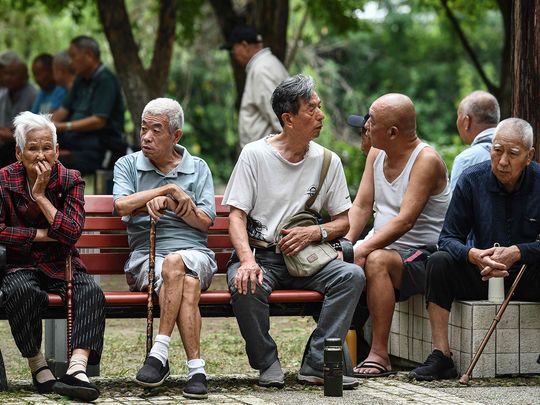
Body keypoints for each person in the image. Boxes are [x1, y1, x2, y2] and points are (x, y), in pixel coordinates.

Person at [224, 74, 363, 389]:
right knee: (245, 284)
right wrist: (246, 261)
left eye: (319, 106)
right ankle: (267, 362)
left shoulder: (328, 161)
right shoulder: (254, 155)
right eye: (311, 109)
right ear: (288, 119)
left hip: (308, 258)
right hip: (262, 255)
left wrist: (313, 234)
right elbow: (235, 217)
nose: (320, 114)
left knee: (351, 276)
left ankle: (317, 362)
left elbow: (344, 222)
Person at [409, 118, 540, 381]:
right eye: (497, 150)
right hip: (482, 272)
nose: (503, 161)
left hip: (527, 273)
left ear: (529, 156)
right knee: (439, 261)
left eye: (513, 154)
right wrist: (473, 255)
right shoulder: (472, 180)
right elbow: (447, 238)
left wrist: (519, 251)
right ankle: (441, 355)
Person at [113, 98, 216, 399]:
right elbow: (120, 205)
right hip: (146, 258)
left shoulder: (198, 168)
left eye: (156, 130)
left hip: (195, 254)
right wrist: (166, 190)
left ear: (176, 136)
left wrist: (175, 205)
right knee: (185, 277)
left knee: (178, 265)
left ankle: (158, 354)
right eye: (143, 128)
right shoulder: (128, 165)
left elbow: (206, 222)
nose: (146, 136)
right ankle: (196, 370)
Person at [0, 112, 105, 401]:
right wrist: (39, 235)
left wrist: (41, 197)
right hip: (20, 263)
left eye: (47, 147)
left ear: (57, 151)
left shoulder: (71, 179)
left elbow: (71, 233)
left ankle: (77, 369)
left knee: (92, 291)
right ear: (19, 153)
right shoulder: (4, 179)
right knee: (22, 291)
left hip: (63, 262)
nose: (41, 155)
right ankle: (38, 365)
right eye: (33, 148)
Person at [345, 93, 451, 377]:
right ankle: (340, 348)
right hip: (383, 248)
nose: (366, 125)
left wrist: (363, 250)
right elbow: (362, 205)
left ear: (392, 132)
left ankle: (380, 355)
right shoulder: (376, 153)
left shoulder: (425, 160)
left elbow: (405, 221)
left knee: (376, 260)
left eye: (372, 120)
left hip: (424, 255)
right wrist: (347, 246)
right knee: (338, 261)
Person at [53, 35, 125, 175]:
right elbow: (63, 110)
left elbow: (99, 121)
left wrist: (64, 127)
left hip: (97, 147)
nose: (70, 62)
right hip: (73, 140)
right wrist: (42, 125)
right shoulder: (80, 79)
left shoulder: (106, 80)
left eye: (73, 56)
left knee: (51, 165)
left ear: (89, 55)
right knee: (21, 151)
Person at [221, 25, 288, 148]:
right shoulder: (268, 64)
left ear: (244, 46)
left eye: (233, 49)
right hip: (266, 153)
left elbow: (279, 115)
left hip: (268, 155)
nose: (233, 54)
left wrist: (291, 149)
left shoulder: (261, 69)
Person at [450, 90, 500, 191]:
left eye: (458, 116)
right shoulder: (520, 152)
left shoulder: (466, 160)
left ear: (466, 121)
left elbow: (455, 205)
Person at [0, 51, 36, 168]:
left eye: (12, 74)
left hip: (22, 144)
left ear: (24, 76)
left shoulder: (32, 94)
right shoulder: (5, 94)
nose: (7, 78)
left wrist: (11, 134)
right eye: (5, 74)